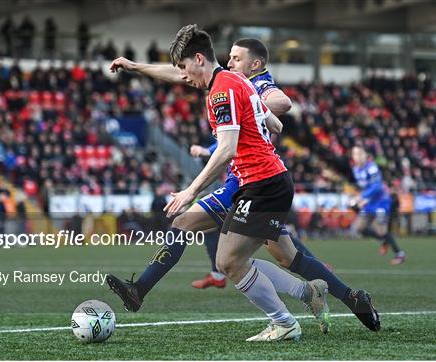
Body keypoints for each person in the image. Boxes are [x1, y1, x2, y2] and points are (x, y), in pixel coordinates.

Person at [106, 36, 380, 334]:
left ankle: (285, 322)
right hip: (256, 182)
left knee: (230, 260)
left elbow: (235, 143)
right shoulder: (233, 80)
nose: (231, 60)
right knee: (284, 256)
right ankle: (350, 299)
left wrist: (191, 190)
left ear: (200, 60)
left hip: (260, 183)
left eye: (237, 57)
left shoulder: (229, 88)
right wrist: (135, 67)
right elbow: (275, 125)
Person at [350, 145, 406, 265]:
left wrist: (362, 197)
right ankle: (383, 241)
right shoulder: (355, 169)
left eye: (360, 153)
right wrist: (362, 199)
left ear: (365, 155)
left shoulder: (371, 167)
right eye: (355, 154)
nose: (357, 156)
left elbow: (377, 186)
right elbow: (366, 187)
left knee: (380, 230)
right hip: (369, 202)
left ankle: (400, 254)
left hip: (381, 201)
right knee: (359, 228)